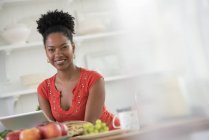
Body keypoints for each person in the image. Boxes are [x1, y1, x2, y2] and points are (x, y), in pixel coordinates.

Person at [36, 10, 120, 130]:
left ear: (73, 48)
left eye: (64, 47)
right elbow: (51, 131)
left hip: (111, 135)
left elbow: (89, 126)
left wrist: (58, 129)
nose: (58, 54)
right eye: (51, 49)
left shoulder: (94, 79)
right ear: (46, 52)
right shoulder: (44, 89)